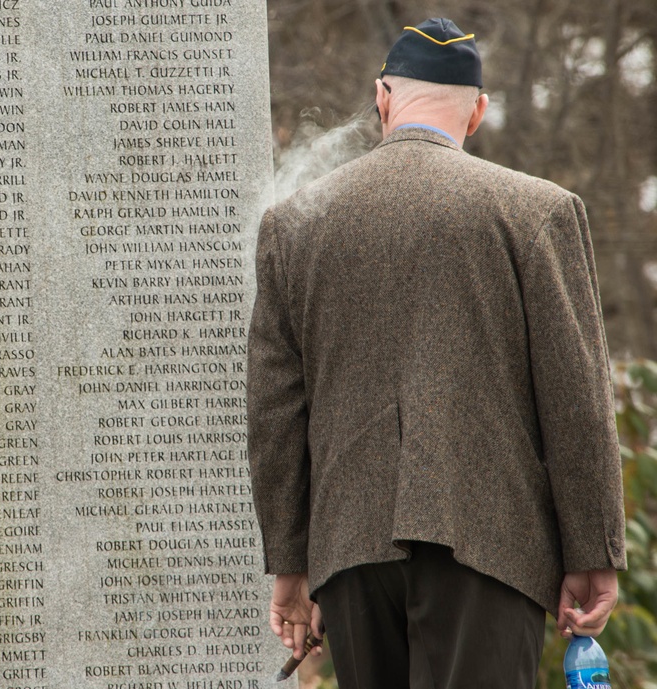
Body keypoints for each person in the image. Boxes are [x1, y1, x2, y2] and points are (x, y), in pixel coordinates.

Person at [247, 18, 626, 688]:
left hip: (350, 555)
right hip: (491, 551)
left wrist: (291, 560)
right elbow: (577, 401)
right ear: (477, 111)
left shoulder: (293, 224)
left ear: (383, 97)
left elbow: (276, 413)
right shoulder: (537, 212)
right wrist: (592, 549)